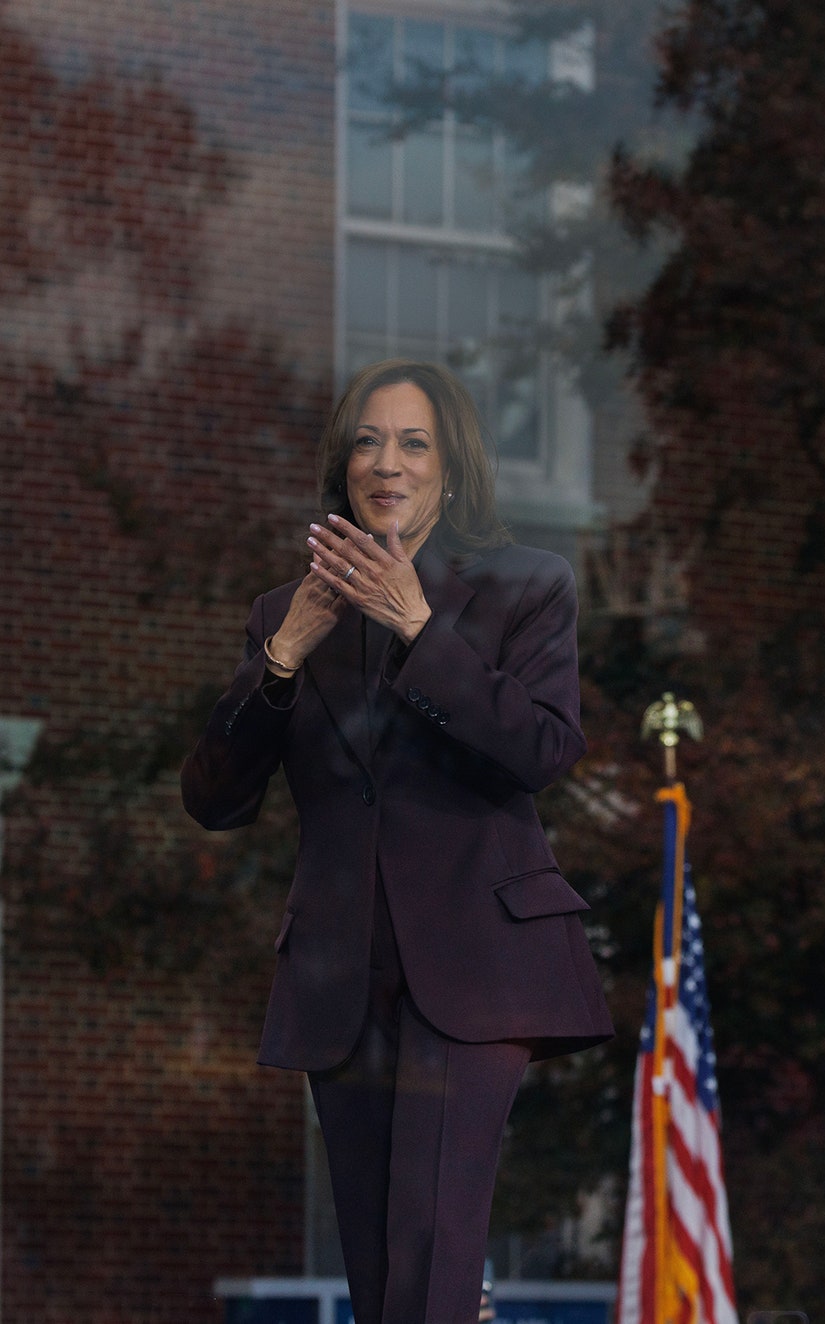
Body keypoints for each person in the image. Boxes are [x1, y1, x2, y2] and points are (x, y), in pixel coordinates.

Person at [182, 360, 612, 1324]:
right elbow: (213, 798)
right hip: (341, 972)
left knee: (430, 1246)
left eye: (414, 443)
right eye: (368, 443)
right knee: (378, 1269)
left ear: (450, 471)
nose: (388, 463)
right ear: (343, 467)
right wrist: (282, 656)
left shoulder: (528, 587)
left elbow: (542, 750)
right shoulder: (283, 612)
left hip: (477, 964)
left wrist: (419, 627)